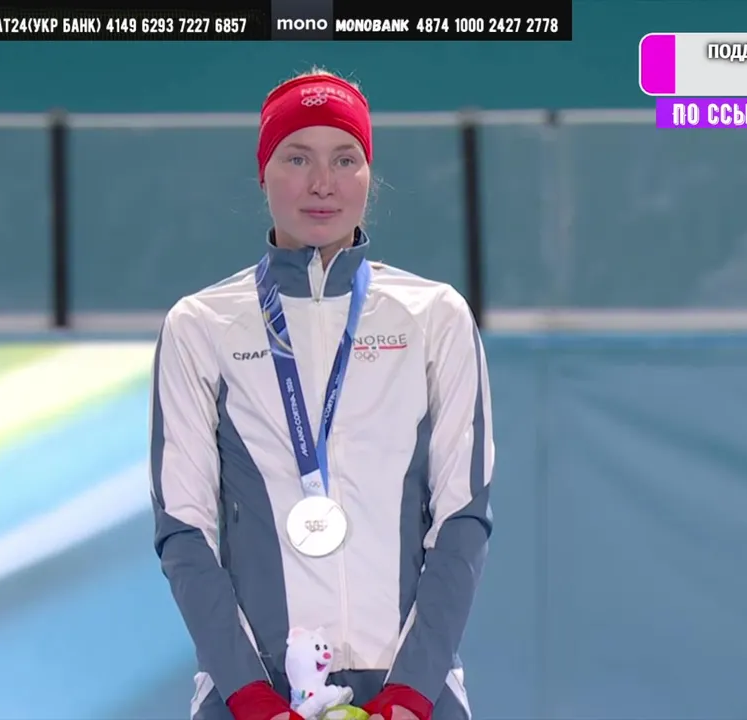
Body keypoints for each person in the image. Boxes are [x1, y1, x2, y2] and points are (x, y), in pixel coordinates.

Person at [150, 68, 495, 720]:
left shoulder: (434, 316)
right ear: (263, 173)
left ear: (368, 174)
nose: (321, 183)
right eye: (296, 158)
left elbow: (463, 519)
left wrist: (411, 693)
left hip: (411, 690)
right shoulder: (201, 325)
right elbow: (184, 530)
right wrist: (250, 695)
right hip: (253, 693)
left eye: (344, 158)